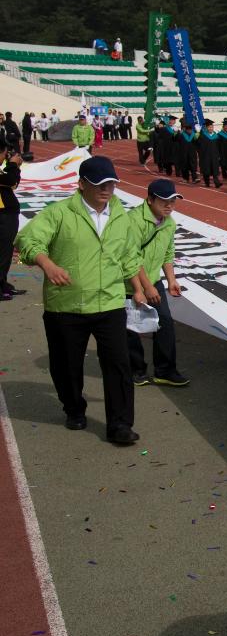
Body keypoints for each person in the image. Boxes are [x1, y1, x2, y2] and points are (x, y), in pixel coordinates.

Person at [16, 156, 145, 444]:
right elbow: (27, 241)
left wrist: (139, 289)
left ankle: (120, 425)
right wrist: (48, 265)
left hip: (110, 302)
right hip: (67, 304)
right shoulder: (60, 213)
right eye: (99, 183)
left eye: (111, 183)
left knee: (118, 364)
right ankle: (74, 408)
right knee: (66, 365)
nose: (106, 189)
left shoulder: (120, 215)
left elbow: (128, 256)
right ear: (82, 184)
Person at [126, 179, 188, 387]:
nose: (169, 205)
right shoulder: (134, 221)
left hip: (153, 279)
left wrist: (171, 280)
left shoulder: (169, 223)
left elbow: (168, 253)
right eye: (164, 201)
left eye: (173, 200)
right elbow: (130, 257)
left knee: (165, 323)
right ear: (150, 199)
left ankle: (165, 370)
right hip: (127, 282)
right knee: (131, 327)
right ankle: (136, 370)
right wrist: (142, 288)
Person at [0, 142, 23, 300]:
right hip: (3, 216)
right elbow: (11, 181)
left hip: (7, 214)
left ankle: (2, 283)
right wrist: (13, 165)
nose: (5, 157)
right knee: (2, 253)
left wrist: (13, 166)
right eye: (4, 154)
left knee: (6, 252)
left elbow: (12, 183)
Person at [196, 119, 223, 188]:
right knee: (206, 170)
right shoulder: (202, 136)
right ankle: (207, 183)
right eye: (209, 127)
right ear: (206, 128)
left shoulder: (216, 136)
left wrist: (219, 155)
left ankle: (217, 183)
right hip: (206, 156)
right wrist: (197, 134)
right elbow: (198, 144)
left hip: (214, 156)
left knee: (215, 170)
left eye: (211, 127)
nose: (210, 128)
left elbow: (219, 146)